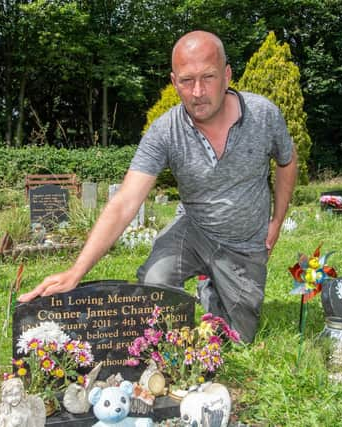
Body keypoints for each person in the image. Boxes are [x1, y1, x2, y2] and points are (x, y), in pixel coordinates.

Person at [19, 30, 297, 342]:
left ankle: (213, 285)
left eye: (208, 77)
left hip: (243, 244)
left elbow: (287, 161)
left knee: (237, 338)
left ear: (227, 75)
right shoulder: (165, 131)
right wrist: (76, 271)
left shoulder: (263, 115)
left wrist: (276, 222)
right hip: (194, 229)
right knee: (153, 283)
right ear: (173, 81)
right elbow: (126, 201)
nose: (197, 91)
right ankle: (199, 287)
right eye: (186, 80)